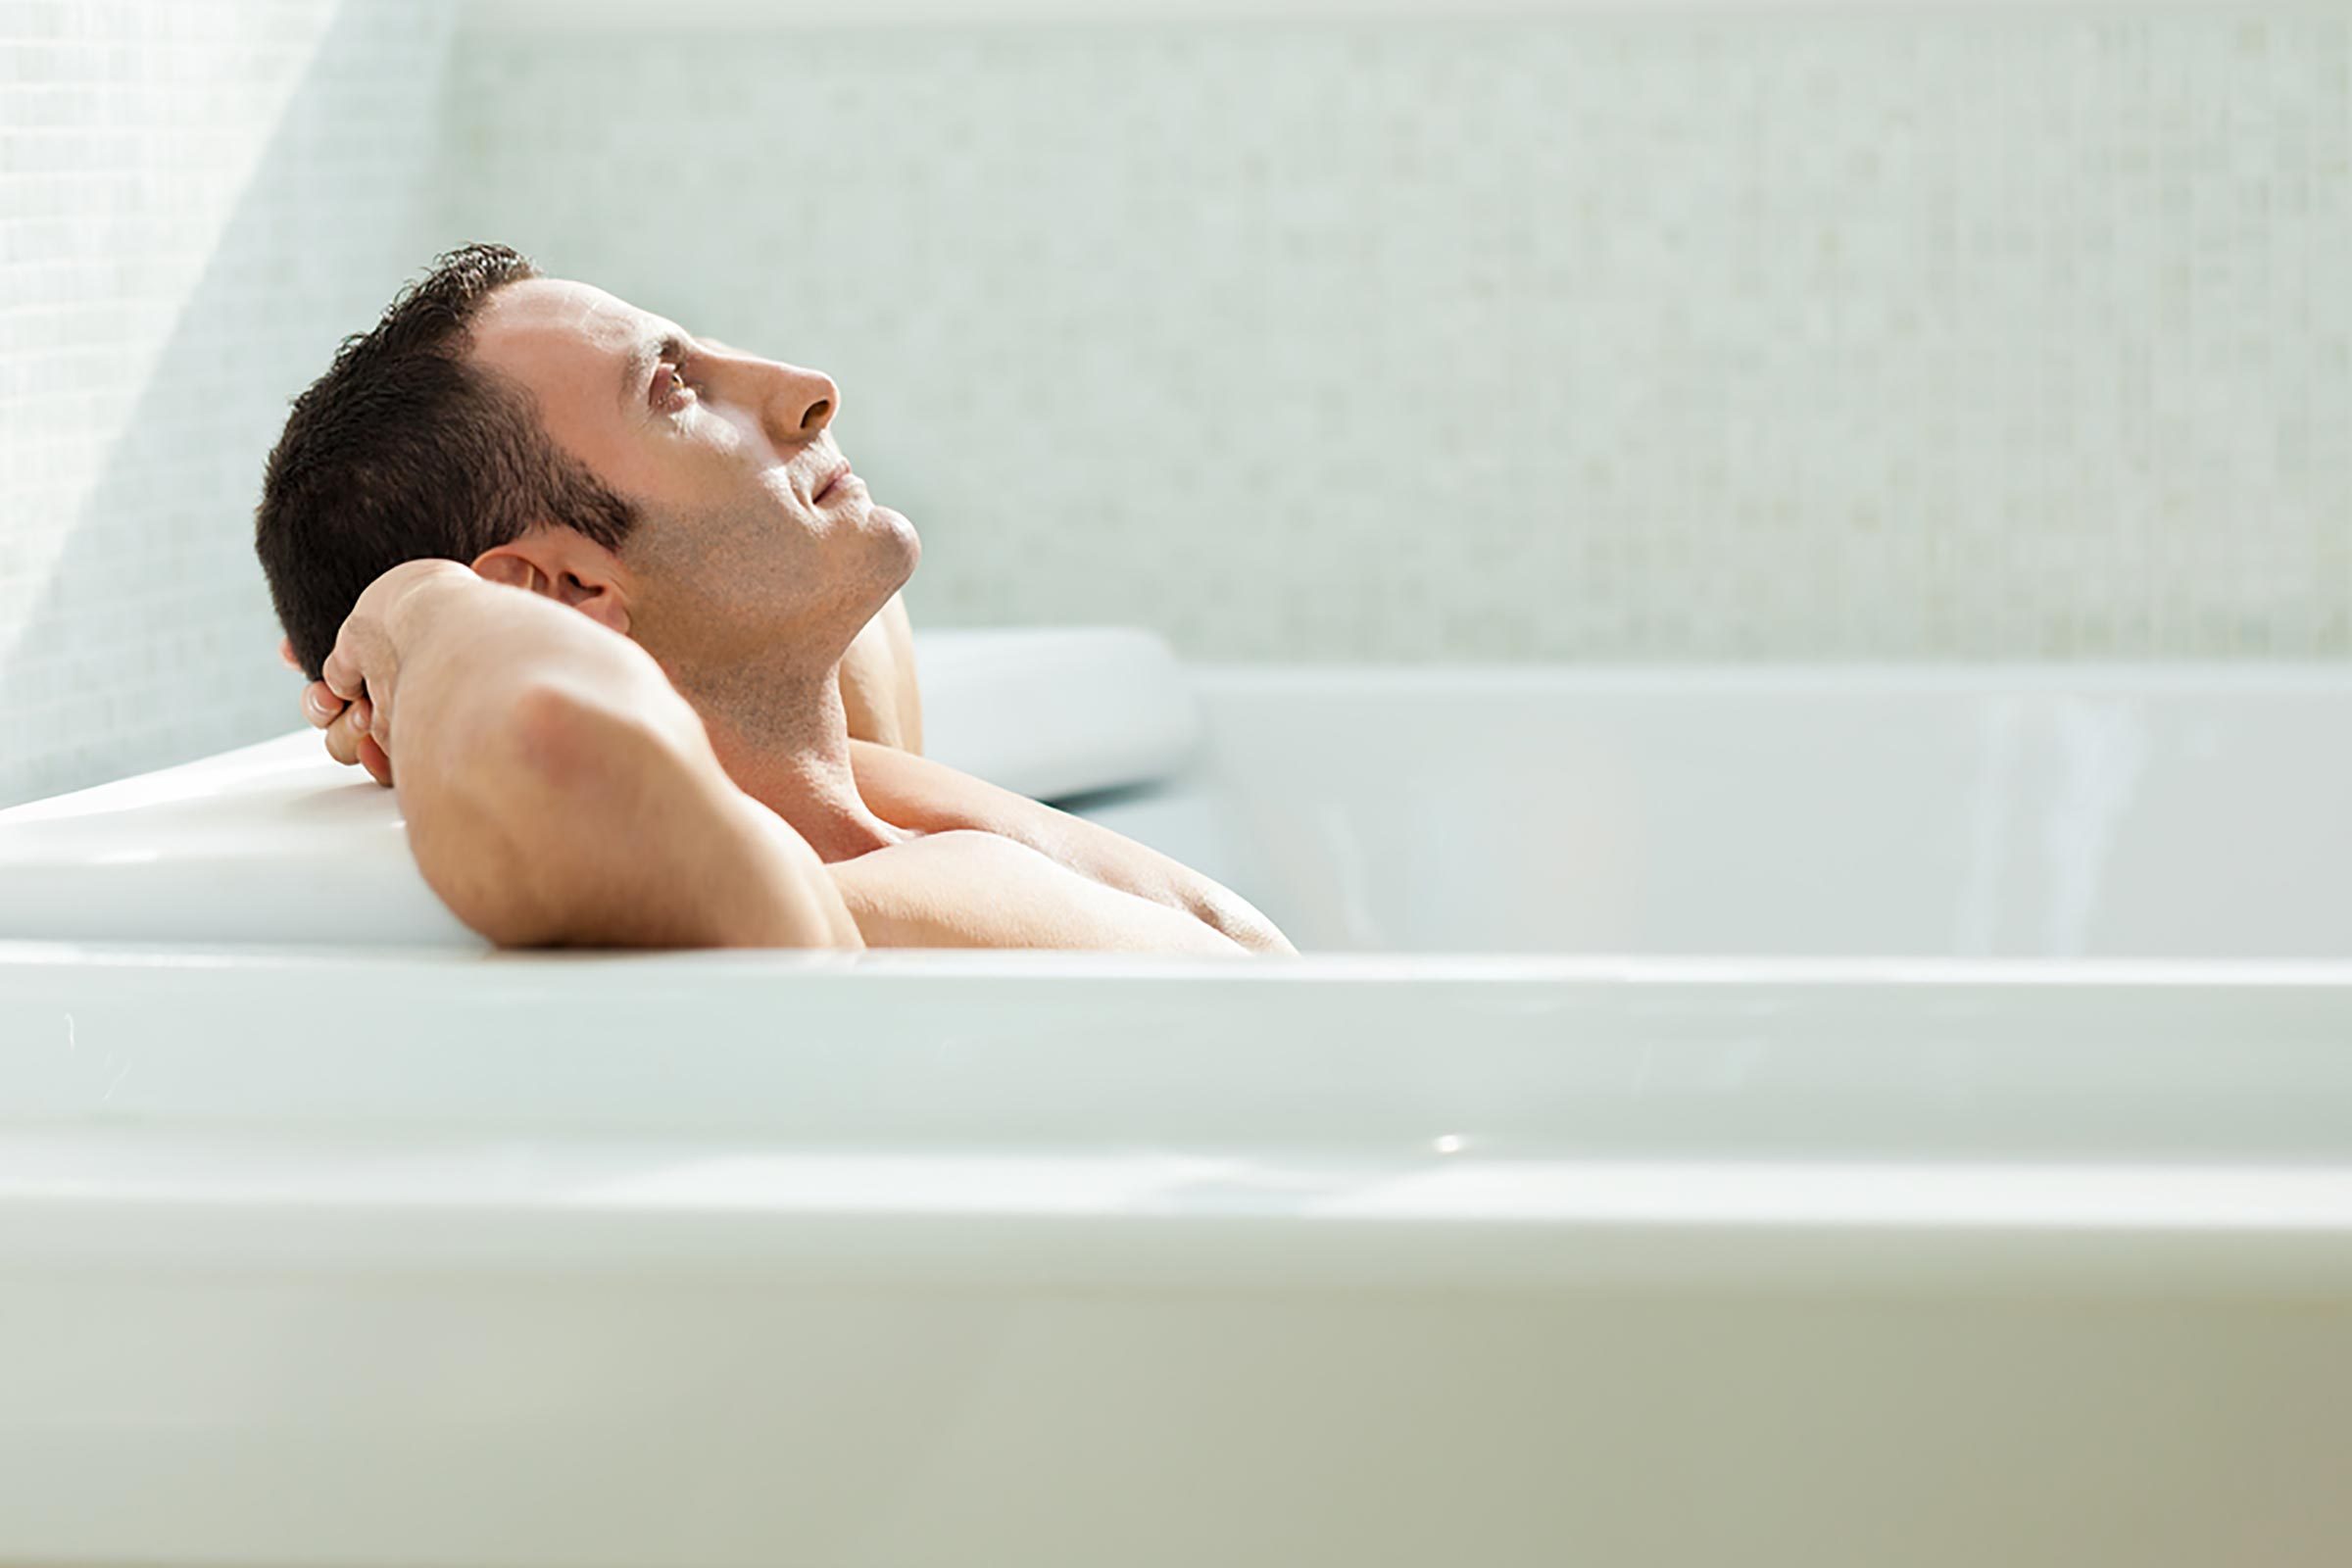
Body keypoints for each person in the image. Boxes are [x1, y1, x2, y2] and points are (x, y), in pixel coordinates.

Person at [255, 244, 1291, 956]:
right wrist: (415, 604)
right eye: (676, 391)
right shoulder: (788, 912)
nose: (809, 387)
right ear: (563, 592)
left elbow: (819, 594)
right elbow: (548, 736)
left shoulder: (872, 786)